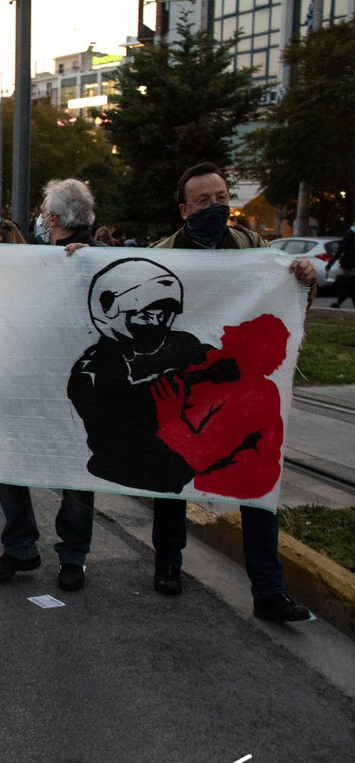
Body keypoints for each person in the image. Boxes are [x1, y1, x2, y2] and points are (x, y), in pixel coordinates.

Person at [142, 162, 317, 622]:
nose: (216, 207)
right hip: (185, 382)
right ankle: (168, 563)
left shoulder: (252, 248)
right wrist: (80, 256)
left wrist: (304, 276)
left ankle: (268, 590)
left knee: (256, 479)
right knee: (172, 476)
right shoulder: (163, 255)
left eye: (221, 198)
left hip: (239, 385)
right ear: (184, 210)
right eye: (204, 201)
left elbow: (287, 294)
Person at [0, 179, 102, 592]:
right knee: (10, 460)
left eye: (42, 212)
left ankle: (70, 554)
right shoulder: (39, 257)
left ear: (51, 218)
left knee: (74, 470)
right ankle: (24, 547)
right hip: (30, 378)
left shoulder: (94, 257)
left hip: (73, 385)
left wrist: (91, 261)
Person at [330, 221, 355, 309]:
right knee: (352, 286)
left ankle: (337, 303)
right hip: (350, 265)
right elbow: (341, 248)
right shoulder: (350, 234)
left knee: (351, 287)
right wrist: (330, 263)